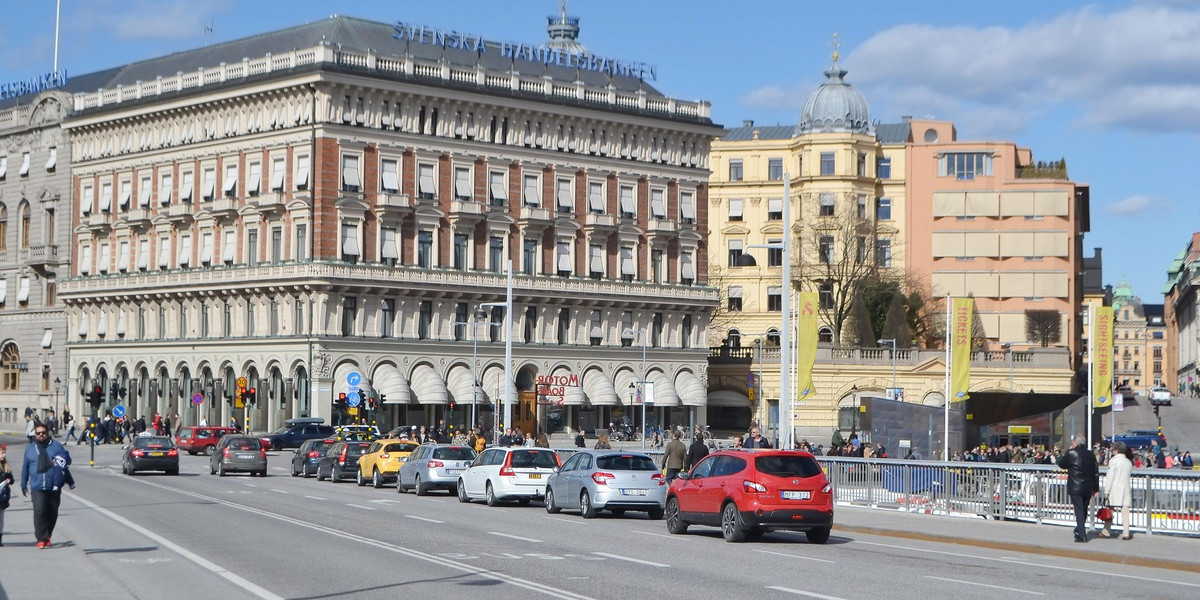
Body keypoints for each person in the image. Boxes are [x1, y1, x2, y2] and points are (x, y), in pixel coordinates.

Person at [20, 422, 75, 548]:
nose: (41, 435)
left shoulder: (56, 446)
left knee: (52, 512)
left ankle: (48, 535)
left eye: (43, 433)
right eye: (38, 433)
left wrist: (60, 464)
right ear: (35, 434)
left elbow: (67, 460)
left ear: (47, 433)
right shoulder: (30, 448)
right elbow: (25, 467)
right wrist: (23, 484)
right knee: (39, 511)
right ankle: (41, 538)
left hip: (53, 485)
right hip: (37, 486)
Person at [1057, 433, 1099, 543]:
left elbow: (1062, 464)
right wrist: (1096, 488)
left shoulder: (1072, 453)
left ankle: (1082, 534)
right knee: (1083, 509)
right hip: (1088, 487)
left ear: (1075, 443)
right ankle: (1079, 529)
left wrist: (1064, 453)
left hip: (1075, 486)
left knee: (1079, 510)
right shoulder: (1091, 454)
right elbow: (1096, 472)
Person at [1101, 441, 1134, 540]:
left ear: (1116, 450)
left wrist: (1106, 491)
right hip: (1126, 488)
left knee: (1110, 510)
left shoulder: (1113, 461)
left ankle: (1106, 531)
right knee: (1125, 510)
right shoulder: (1128, 462)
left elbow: (1110, 477)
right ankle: (1126, 533)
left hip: (1115, 488)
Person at [0, 444, 14, 546]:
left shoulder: (6, 466)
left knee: (1, 518)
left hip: (2, 497)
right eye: (2, 453)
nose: (4, 455)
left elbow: (12, 478)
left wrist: (10, 480)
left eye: (4, 453)